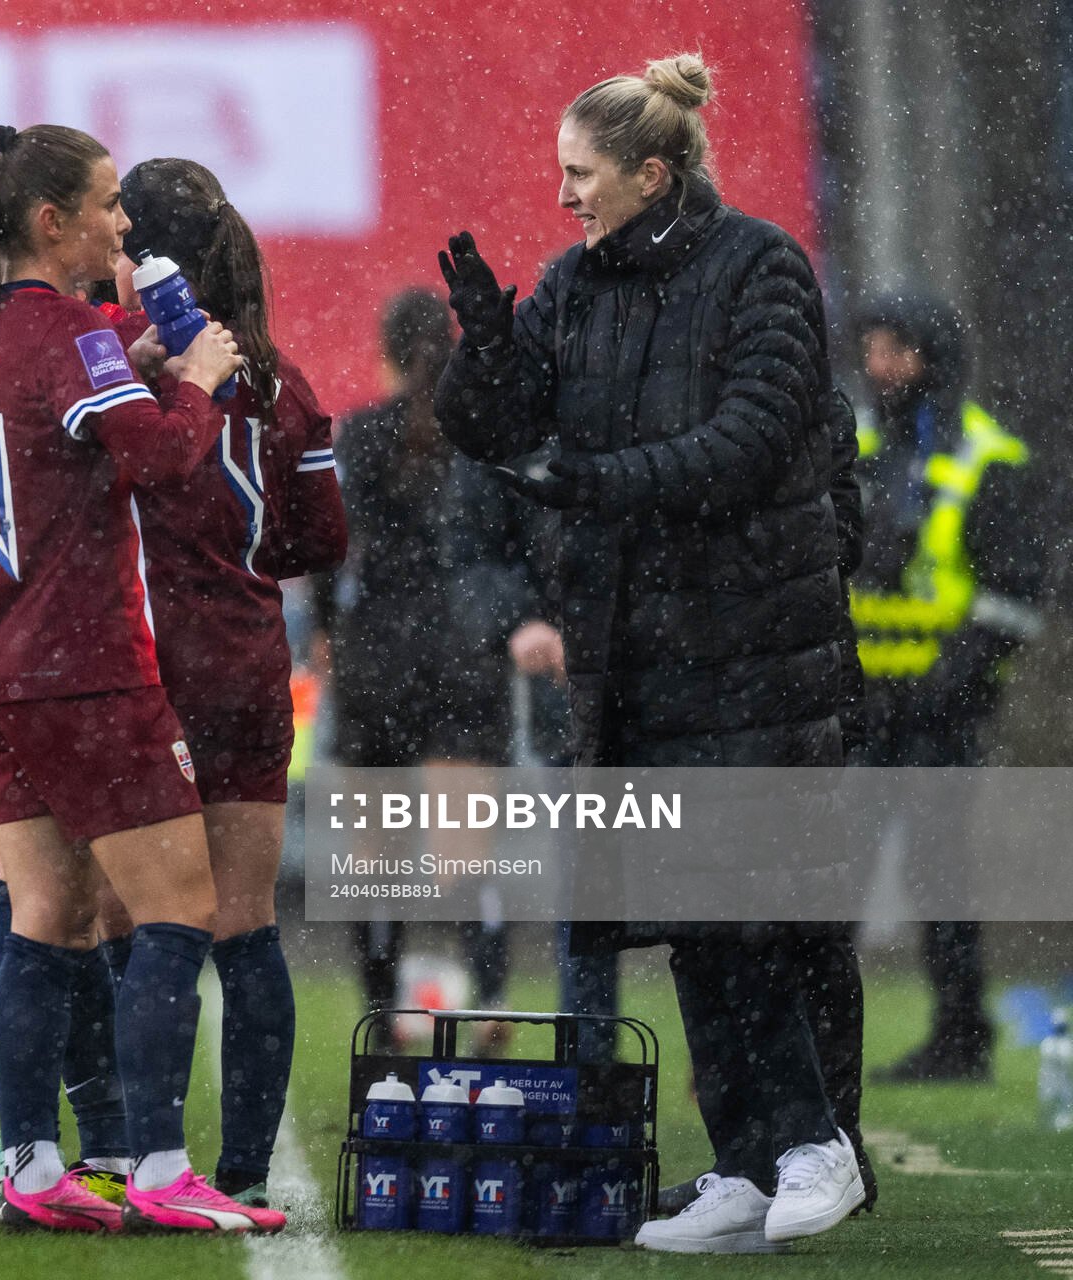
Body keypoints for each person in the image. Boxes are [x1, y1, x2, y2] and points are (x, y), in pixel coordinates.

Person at [435, 54, 864, 1253]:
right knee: (688, 911)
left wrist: (595, 481)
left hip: (757, 647)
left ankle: (816, 1142)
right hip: (633, 656)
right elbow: (499, 428)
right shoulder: (573, 285)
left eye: (581, 174)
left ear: (652, 172)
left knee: (748, 911)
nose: (563, 196)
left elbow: (748, 441)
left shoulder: (763, 266)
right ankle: (741, 1165)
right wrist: (483, 349)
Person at [0, 122, 280, 1234]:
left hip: (2, 663)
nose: (122, 222)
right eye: (108, 201)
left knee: (43, 913)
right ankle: (165, 1164)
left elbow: (59, 430)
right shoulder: (71, 330)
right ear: (52, 221)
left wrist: (132, 369)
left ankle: (33, 1159)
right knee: (182, 906)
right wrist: (200, 382)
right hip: (88, 667)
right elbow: (164, 462)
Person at [117, 156, 347, 1207]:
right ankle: (249, 1170)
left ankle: (125, 1158)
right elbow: (318, 538)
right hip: (246, 668)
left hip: (142, 663)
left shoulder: (128, 370)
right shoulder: (283, 380)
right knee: (247, 924)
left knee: (136, 924)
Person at [316, 288, 521, 1051]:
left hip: (378, 656)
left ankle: (384, 1015)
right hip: (465, 653)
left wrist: (330, 638)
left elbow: (329, 546)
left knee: (379, 864)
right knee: (464, 859)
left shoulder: (361, 435)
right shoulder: (483, 438)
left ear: (389, 353)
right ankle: (494, 998)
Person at [848, 293, 1040, 1084]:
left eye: (897, 348)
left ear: (936, 357)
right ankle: (817, 1046)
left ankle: (961, 1040)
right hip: (854, 705)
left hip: (938, 709)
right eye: (872, 346)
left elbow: (1016, 597)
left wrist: (952, 681)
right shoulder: (850, 444)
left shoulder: (988, 458)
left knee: (939, 878)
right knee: (830, 881)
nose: (879, 364)